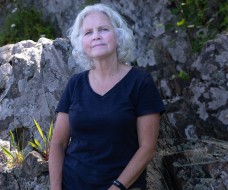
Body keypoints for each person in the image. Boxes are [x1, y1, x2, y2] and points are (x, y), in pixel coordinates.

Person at [49, 3, 165, 190]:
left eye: (103, 29)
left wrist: (117, 187)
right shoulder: (75, 84)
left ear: (118, 36)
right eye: (88, 32)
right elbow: (58, 143)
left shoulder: (141, 82)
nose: (96, 36)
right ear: (82, 43)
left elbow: (148, 148)